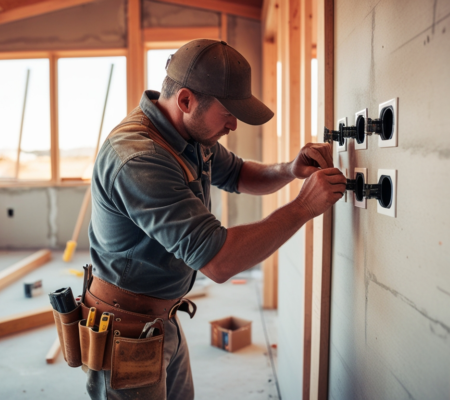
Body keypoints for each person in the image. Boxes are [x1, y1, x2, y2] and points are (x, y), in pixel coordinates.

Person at [85, 39, 346, 400]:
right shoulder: (138, 158)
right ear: (187, 100)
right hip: (124, 329)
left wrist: (290, 169)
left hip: (162, 319)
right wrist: (303, 207)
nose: (233, 125)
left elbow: (239, 174)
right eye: (228, 113)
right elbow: (219, 262)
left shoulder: (188, 134)